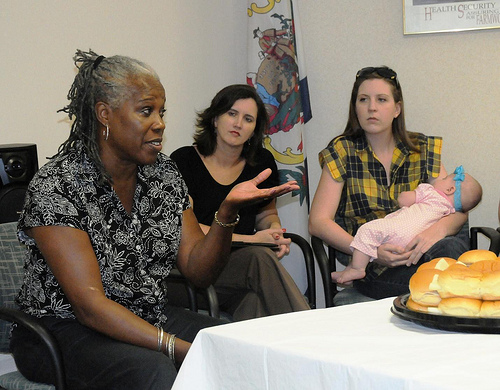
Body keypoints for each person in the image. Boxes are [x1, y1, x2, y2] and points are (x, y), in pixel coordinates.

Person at [10, 50, 299, 390]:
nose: (160, 123)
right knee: (155, 369)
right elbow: (90, 307)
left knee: (234, 347)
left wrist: (226, 214)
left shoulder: (164, 175)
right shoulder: (57, 184)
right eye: (146, 111)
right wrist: (174, 347)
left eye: (161, 111)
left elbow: (198, 270)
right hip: (60, 331)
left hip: (145, 314)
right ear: (105, 114)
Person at [309, 66, 470, 300]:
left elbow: (457, 207)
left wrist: (437, 230)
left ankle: (444, 290)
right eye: (363, 100)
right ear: (355, 107)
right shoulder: (342, 150)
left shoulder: (421, 148)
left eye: (381, 100)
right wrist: (371, 251)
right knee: (442, 282)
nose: (371, 108)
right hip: (373, 267)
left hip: (421, 253)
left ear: (396, 109)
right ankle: (446, 290)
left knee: (450, 249)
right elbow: (318, 222)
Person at [170, 84, 310, 321]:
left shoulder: (262, 162)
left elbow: (266, 215)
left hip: (240, 271)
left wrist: (274, 231)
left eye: (248, 119)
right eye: (231, 114)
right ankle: (311, 332)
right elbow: (188, 231)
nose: (238, 124)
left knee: (254, 302)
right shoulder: (184, 161)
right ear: (215, 118)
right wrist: (253, 240)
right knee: (259, 257)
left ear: (255, 129)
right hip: (190, 272)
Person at [332, 166, 482, 284]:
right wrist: (376, 254)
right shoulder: (448, 209)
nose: (439, 179)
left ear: (450, 189)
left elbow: (403, 200)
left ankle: (357, 267)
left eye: (444, 178)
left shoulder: (429, 190)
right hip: (388, 264)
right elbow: (461, 210)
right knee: (450, 253)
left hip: (401, 241)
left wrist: (437, 229)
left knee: (367, 230)